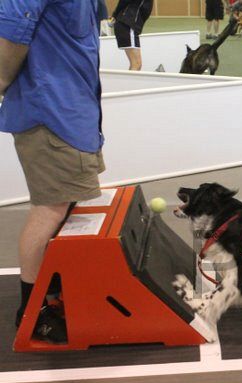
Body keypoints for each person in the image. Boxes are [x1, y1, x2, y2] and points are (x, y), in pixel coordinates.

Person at [0, 0, 105, 343]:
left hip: (76, 108)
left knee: (66, 206)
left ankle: (54, 292)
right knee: (49, 209)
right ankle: (33, 313)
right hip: (51, 108)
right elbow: (11, 32)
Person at [111, 0, 154, 70]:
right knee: (136, 64)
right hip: (127, 25)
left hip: (128, 24)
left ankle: (130, 81)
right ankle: (130, 81)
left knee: (136, 64)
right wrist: (114, 15)